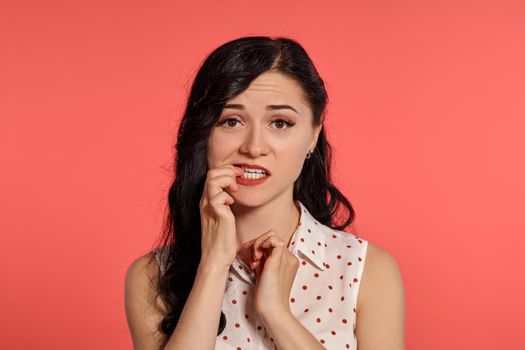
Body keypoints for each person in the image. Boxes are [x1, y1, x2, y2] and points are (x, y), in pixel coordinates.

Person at [124, 36, 405, 350]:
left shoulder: (365, 269)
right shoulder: (153, 277)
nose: (254, 147)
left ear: (313, 134)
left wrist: (277, 314)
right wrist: (213, 266)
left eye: (280, 123)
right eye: (231, 121)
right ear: (204, 132)